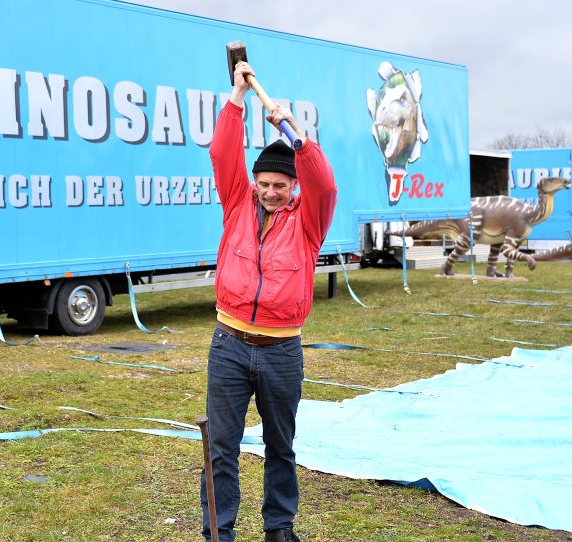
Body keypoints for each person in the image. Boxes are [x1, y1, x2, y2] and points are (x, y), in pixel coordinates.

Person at [201, 60, 337, 542]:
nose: (272, 192)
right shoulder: (237, 202)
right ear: (254, 183)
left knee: (281, 446)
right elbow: (222, 155)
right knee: (221, 448)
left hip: (282, 351)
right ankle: (219, 532)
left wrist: (298, 136)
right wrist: (237, 97)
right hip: (229, 346)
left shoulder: (309, 220)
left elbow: (325, 184)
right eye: (265, 184)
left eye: (281, 185)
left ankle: (279, 529)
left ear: (293, 186)